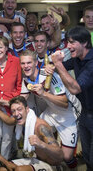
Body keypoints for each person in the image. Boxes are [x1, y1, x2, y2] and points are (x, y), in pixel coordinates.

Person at [20, 50, 80, 169]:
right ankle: (49, 164)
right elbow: (21, 100)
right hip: (51, 112)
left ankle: (74, 166)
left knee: (67, 157)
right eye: (23, 63)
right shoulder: (26, 80)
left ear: (36, 62)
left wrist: (43, 93)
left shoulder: (49, 74)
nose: (26, 66)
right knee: (32, 129)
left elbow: (64, 103)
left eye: (29, 62)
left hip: (68, 115)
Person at [51, 26, 93, 170]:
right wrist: (53, 65)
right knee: (87, 155)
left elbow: (75, 88)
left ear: (85, 43)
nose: (68, 47)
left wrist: (57, 64)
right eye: (67, 42)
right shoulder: (77, 59)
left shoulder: (92, 63)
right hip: (85, 114)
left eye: (72, 42)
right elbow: (59, 67)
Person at [0, 96, 63, 171]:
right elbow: (9, 121)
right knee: (3, 169)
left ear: (27, 109)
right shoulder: (21, 120)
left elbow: (60, 156)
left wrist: (42, 144)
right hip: (35, 159)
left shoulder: (40, 127)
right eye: (13, 111)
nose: (16, 113)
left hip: (51, 165)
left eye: (19, 109)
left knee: (19, 170)